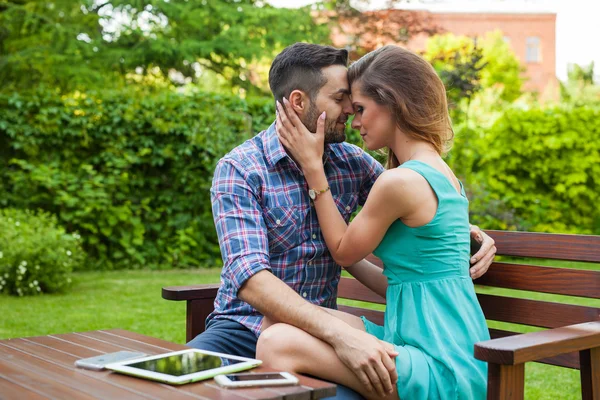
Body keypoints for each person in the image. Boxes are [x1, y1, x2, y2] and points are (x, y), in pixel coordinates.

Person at [188, 43, 496, 399]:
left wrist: (472, 234)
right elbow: (251, 281)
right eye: (342, 98)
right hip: (244, 326)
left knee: (279, 348)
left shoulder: (351, 162)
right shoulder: (241, 170)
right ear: (299, 102)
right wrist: (341, 335)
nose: (351, 111)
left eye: (357, 103)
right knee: (176, 386)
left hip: (320, 337)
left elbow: (425, 208)